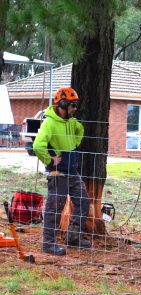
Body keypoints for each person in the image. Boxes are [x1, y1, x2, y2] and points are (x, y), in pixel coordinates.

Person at [33, 87, 91, 256]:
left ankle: (72, 237)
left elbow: (80, 129)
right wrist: (50, 160)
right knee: (54, 207)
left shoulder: (71, 122)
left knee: (83, 201)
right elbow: (37, 146)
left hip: (72, 171)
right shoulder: (49, 123)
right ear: (62, 104)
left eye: (75, 105)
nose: (75, 109)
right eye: (72, 106)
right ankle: (48, 244)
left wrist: (74, 145)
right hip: (57, 173)